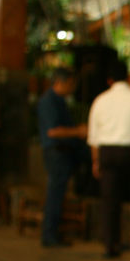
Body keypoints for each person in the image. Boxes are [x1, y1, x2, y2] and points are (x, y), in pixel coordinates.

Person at [87, 59, 130, 258]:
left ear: (109, 80)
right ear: (128, 77)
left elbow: (94, 137)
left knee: (110, 200)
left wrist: (96, 161)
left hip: (107, 154)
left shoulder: (100, 101)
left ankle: (111, 245)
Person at [36, 68, 87, 248]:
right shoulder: (48, 101)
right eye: (72, 83)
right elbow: (53, 131)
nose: (73, 88)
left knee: (58, 192)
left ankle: (52, 233)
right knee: (55, 193)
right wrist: (78, 131)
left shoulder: (60, 101)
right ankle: (49, 234)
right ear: (62, 82)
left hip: (63, 151)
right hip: (56, 152)